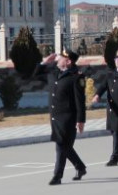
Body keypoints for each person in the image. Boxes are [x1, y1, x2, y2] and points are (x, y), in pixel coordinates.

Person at [33, 48, 87, 185]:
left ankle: (57, 176)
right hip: (55, 116)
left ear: (68, 61)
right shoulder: (53, 72)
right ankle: (80, 167)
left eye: (61, 58)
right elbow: (35, 74)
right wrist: (44, 63)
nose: (58, 59)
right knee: (65, 146)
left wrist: (80, 120)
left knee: (61, 146)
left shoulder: (76, 77)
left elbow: (79, 100)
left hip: (68, 117)